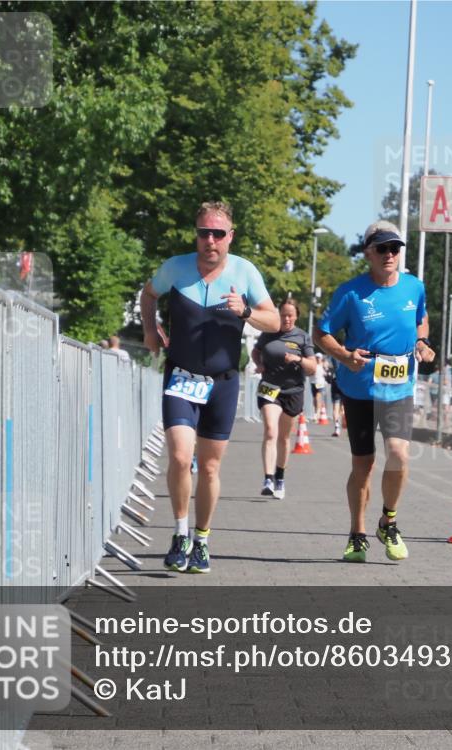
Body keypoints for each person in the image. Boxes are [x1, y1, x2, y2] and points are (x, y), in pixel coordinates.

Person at [140, 201, 279, 574]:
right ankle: (180, 532)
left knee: (212, 469)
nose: (211, 241)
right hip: (181, 377)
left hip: (223, 383)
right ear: (196, 234)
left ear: (230, 237)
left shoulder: (245, 272)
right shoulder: (176, 267)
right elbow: (149, 294)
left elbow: (275, 320)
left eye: (219, 234)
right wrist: (151, 331)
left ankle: (202, 540)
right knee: (182, 457)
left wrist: (245, 311)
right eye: (204, 233)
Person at [314, 220, 435, 563]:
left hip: (399, 386)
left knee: (399, 453)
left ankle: (389, 521)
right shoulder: (350, 293)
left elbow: (421, 319)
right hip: (360, 388)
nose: (389, 254)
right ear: (368, 252)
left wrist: (423, 342)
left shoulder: (414, 287)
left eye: (394, 248)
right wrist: (343, 355)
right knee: (363, 466)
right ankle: (357, 533)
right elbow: (320, 334)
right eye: (382, 248)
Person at [251, 298, 317, 499]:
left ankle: (280, 476)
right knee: (271, 430)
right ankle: (268, 478)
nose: (286, 319)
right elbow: (256, 352)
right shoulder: (268, 333)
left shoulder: (302, 337)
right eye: (283, 315)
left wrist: (297, 359)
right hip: (270, 388)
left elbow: (312, 367)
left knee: (284, 437)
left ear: (296, 316)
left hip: (293, 391)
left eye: (290, 315)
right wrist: (259, 364)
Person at [325, 356, 344, 437]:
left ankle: (337, 427)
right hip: (345, 382)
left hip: (335, 381)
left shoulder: (333, 355)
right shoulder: (349, 351)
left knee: (335, 407)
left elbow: (326, 366)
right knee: (343, 407)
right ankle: (343, 423)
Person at [311, 351, 327, 422]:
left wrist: (325, 368)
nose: (318, 359)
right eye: (316, 357)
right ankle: (315, 412)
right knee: (314, 398)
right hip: (313, 382)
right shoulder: (313, 364)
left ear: (321, 358)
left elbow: (327, 373)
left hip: (320, 383)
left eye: (319, 358)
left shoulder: (323, 365)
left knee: (318, 396)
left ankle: (317, 413)